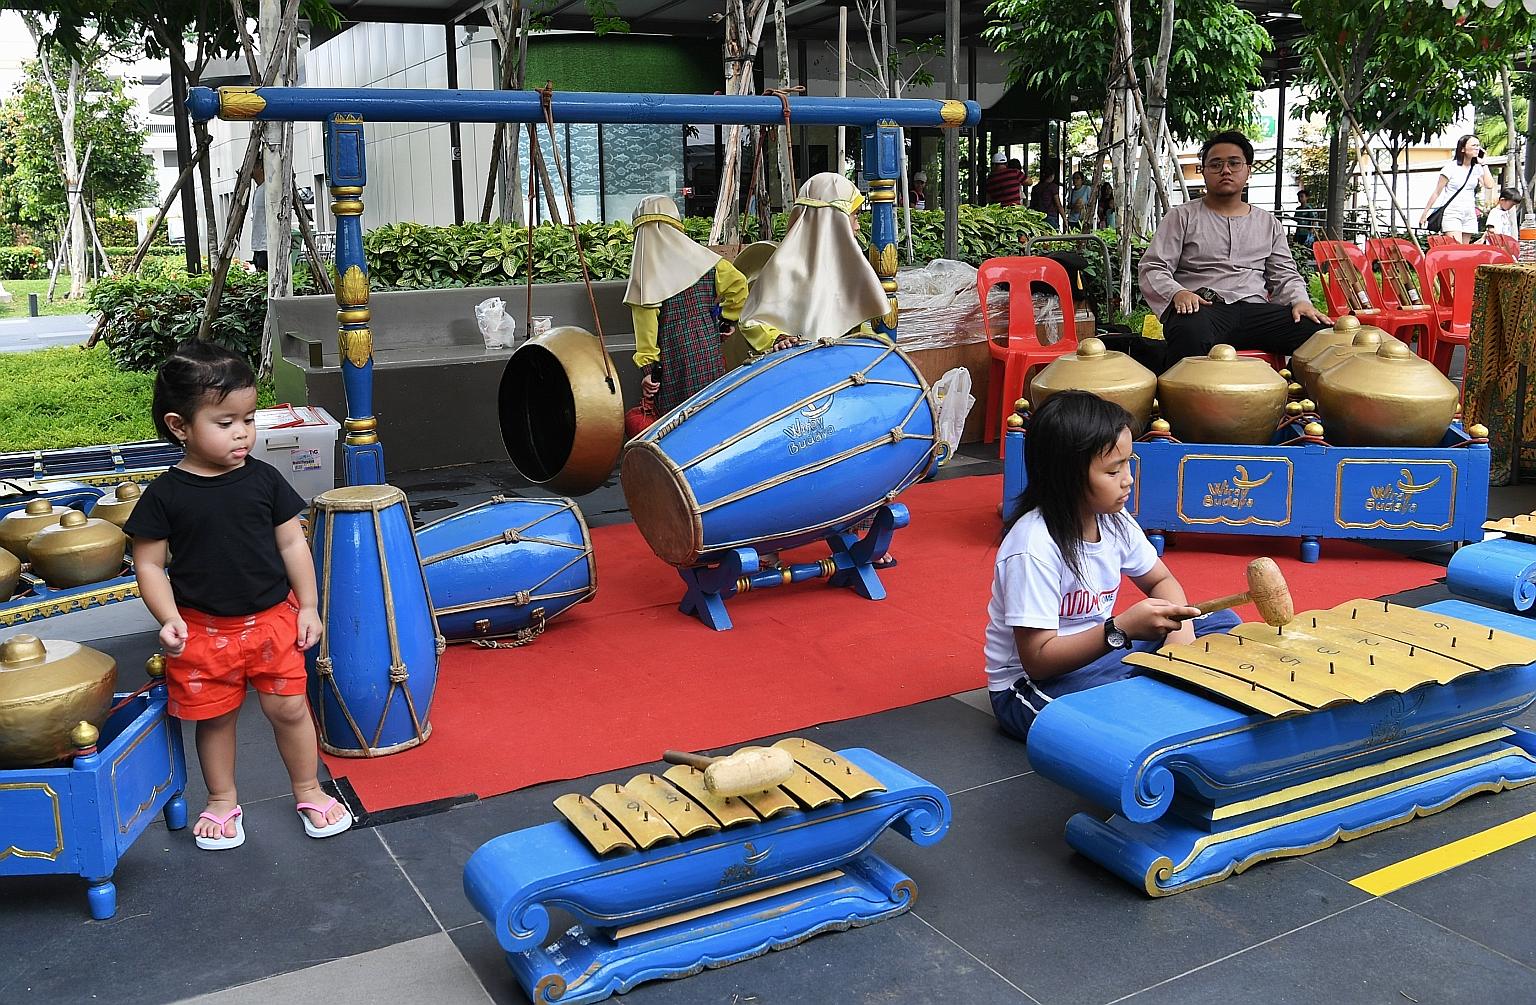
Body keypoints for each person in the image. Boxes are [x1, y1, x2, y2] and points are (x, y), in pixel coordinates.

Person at [124, 341, 351, 850]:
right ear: (179, 426)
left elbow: (294, 541)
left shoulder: (264, 479)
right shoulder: (165, 495)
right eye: (225, 422)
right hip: (203, 631)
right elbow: (149, 563)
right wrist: (167, 617)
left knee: (290, 709)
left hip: (274, 621)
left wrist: (309, 605)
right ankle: (223, 800)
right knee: (215, 717)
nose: (243, 433)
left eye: (248, 419)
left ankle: (309, 789)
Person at [986, 391, 1241, 742]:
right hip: (1033, 685)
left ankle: (1157, 689)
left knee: (1225, 622)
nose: (1128, 479)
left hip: (1105, 653)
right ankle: (1159, 696)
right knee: (1092, 712)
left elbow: (1161, 580)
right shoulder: (1033, 547)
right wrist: (1118, 629)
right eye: (1113, 469)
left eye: (1128, 463)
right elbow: (1039, 660)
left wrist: (1179, 640)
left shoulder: (1114, 520)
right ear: (1068, 475)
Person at [1133, 129, 1332, 374]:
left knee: (1318, 334)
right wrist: (1178, 293)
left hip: (1255, 310)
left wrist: (1300, 301)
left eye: (1234, 163)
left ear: (1248, 171)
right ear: (1203, 172)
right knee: (1189, 330)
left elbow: (1285, 274)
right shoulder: (1181, 217)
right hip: (1204, 307)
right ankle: (1183, 408)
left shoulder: (1268, 223)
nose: (1225, 170)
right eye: (1215, 164)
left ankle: (1293, 401)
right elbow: (1153, 267)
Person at [625, 196, 780, 414]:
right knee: (712, 410)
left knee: (678, 419)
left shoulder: (644, 278)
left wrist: (649, 371)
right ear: (677, 225)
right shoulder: (709, 263)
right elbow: (738, 286)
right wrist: (727, 320)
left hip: (673, 361)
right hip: (709, 350)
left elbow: (646, 337)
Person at [1417, 134, 1495, 244]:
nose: (1477, 148)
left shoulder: (1477, 168)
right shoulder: (1450, 168)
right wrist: (1425, 214)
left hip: (1469, 213)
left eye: (1478, 145)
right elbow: (1436, 192)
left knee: (1464, 251)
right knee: (1455, 247)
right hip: (1452, 212)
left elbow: (1489, 185)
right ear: (1463, 148)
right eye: (1473, 145)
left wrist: (1483, 164)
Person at [1030, 164, 1066, 230]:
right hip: (1050, 216)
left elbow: (1032, 204)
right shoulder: (1053, 187)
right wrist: (1065, 220)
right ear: (1052, 176)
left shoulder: (1036, 188)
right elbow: (1058, 205)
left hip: (1037, 216)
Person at [250, 160, 268, 272]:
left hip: (266, 245)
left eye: (253, 166)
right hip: (259, 244)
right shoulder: (259, 189)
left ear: (260, 168)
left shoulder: (268, 189)